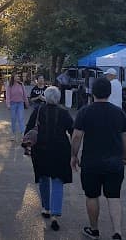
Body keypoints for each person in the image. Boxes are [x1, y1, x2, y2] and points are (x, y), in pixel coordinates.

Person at [71, 77, 126, 240]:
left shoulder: (85, 111)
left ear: (93, 92)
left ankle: (94, 229)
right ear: (109, 92)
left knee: (92, 196)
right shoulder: (119, 112)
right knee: (114, 197)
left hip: (91, 162)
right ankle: (117, 232)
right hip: (114, 162)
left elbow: (77, 136)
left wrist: (73, 156)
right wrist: (125, 155)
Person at [25, 86, 74, 232]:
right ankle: (55, 215)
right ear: (58, 98)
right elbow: (73, 131)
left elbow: (28, 129)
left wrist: (26, 146)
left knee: (43, 178)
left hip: (41, 150)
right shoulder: (64, 113)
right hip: (60, 150)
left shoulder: (38, 110)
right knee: (57, 181)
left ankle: (46, 208)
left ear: (45, 97)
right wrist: (75, 152)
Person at [6, 74, 29, 142]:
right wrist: (8, 104)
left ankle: (23, 134)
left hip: (20, 103)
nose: (18, 77)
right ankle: (13, 134)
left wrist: (26, 102)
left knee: (21, 118)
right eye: (16, 76)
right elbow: (8, 95)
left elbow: (25, 94)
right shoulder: (10, 85)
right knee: (13, 119)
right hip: (13, 103)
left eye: (18, 76)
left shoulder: (21, 85)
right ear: (13, 77)